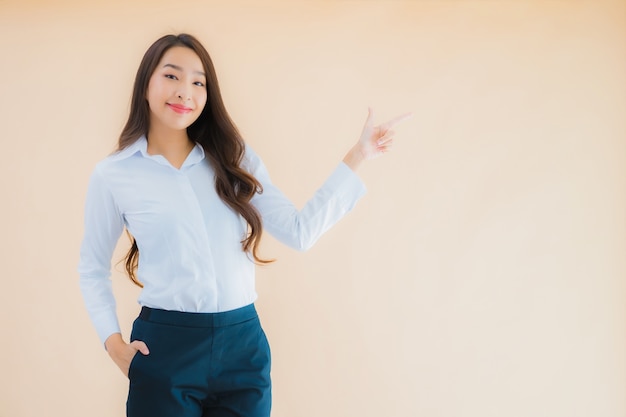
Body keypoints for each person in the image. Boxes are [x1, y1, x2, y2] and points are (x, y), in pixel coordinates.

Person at [78, 33, 410, 417]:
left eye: (198, 82)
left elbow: (298, 231)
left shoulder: (233, 158)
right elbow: (91, 268)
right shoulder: (114, 174)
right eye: (171, 76)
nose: (185, 91)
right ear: (146, 83)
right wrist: (113, 343)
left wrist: (359, 155)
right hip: (166, 348)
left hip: (243, 347)